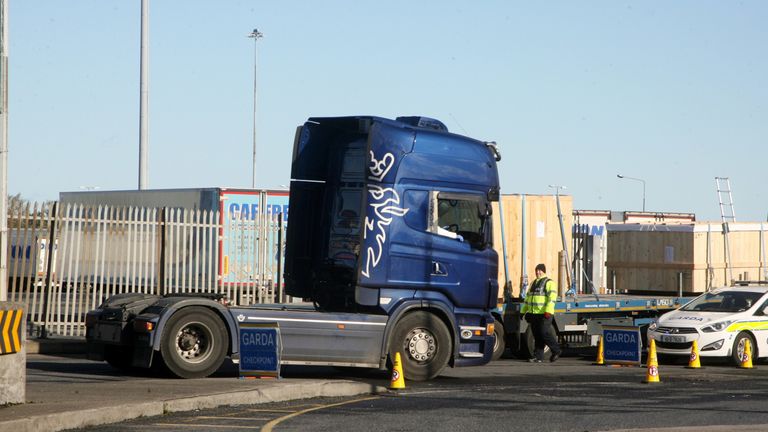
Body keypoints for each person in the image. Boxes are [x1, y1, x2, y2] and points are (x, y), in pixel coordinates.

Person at [521, 263, 562, 363]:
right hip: (534, 313)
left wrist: (548, 311)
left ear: (544, 271)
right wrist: (523, 311)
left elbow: (552, 298)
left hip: (545, 313)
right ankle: (537, 357)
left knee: (544, 332)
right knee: (537, 335)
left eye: (540, 270)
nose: (538, 272)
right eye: (537, 270)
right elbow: (527, 299)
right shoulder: (533, 283)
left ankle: (556, 350)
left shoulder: (549, 282)